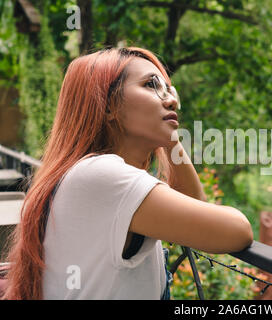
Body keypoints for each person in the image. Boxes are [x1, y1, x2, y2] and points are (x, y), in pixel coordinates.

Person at [1, 47, 253, 300]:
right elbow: (236, 231)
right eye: (151, 84)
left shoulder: (87, 174)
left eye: (169, 89)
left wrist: (170, 135)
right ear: (108, 105)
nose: (172, 99)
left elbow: (197, 217)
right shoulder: (102, 175)